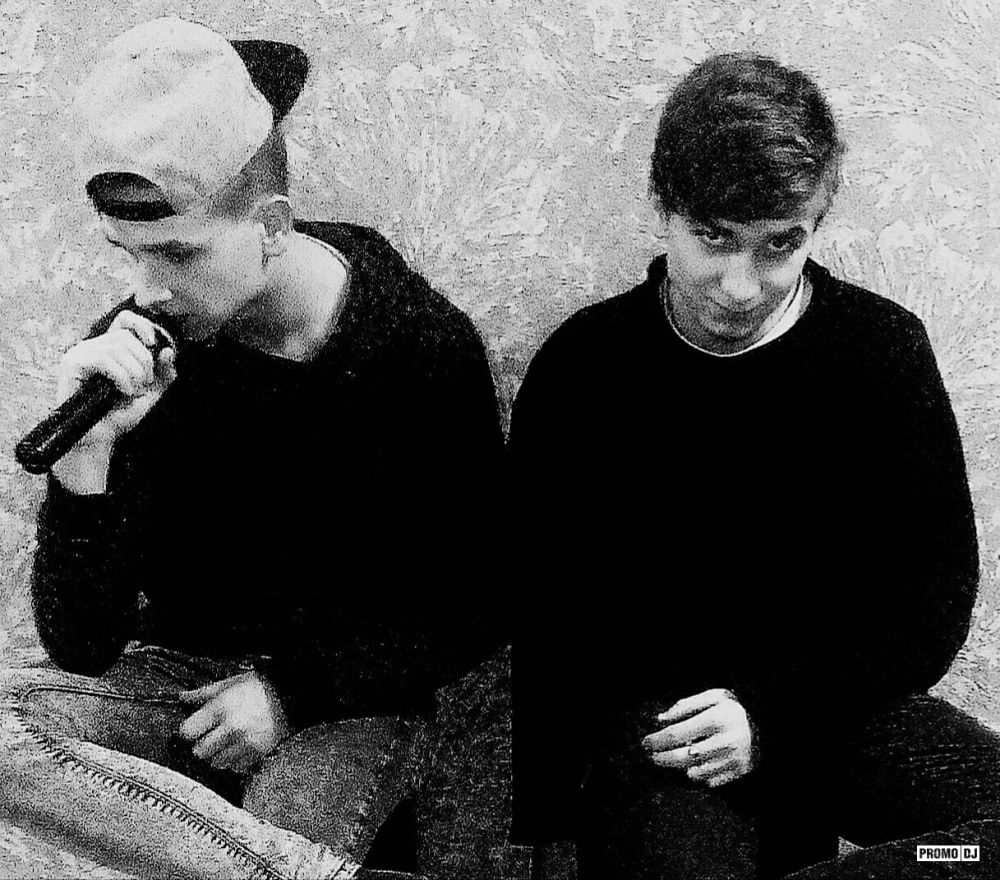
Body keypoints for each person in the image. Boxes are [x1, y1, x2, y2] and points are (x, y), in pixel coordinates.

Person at [0, 16, 503, 879]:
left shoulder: (418, 347)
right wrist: (86, 468)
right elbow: (83, 649)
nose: (147, 289)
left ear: (271, 224)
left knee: (274, 833)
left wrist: (288, 694)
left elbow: (479, 598)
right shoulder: (144, 349)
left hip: (343, 702)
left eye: (178, 254)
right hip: (171, 676)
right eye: (126, 254)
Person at [507, 52, 1000, 880]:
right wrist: (553, 818)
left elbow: (932, 598)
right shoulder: (587, 365)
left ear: (815, 225)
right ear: (664, 210)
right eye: (714, 238)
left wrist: (772, 713)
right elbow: (545, 607)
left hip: (835, 708)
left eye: (779, 244)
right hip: (668, 734)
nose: (741, 285)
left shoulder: (879, 352)